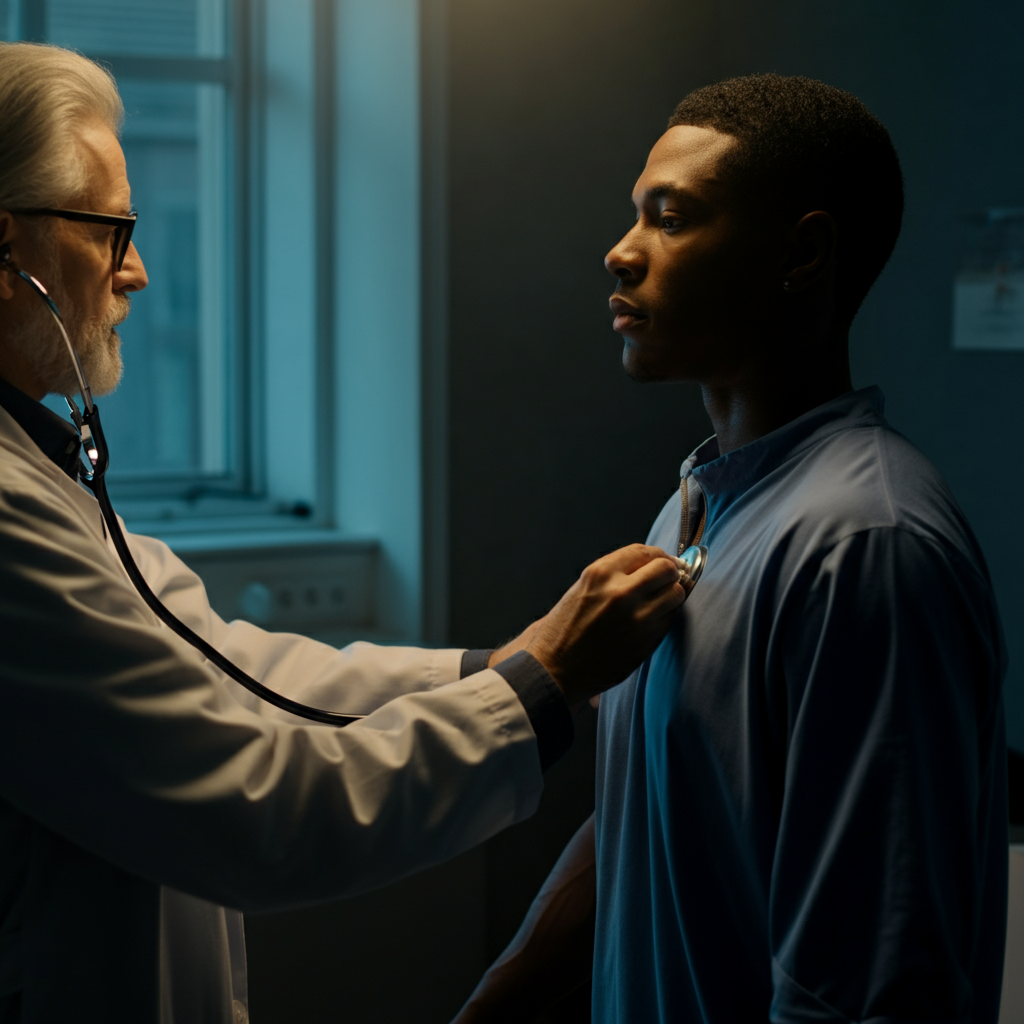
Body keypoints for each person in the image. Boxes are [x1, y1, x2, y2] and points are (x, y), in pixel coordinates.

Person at [0, 42, 690, 1024]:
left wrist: (511, 663)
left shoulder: (39, 473)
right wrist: (539, 684)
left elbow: (235, 669)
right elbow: (257, 808)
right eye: (113, 231)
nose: (138, 273)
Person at [452, 74, 1009, 1024]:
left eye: (671, 220)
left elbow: (867, 985)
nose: (620, 254)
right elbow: (647, 818)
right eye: (635, 215)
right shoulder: (694, 510)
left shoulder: (865, 547)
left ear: (802, 253)